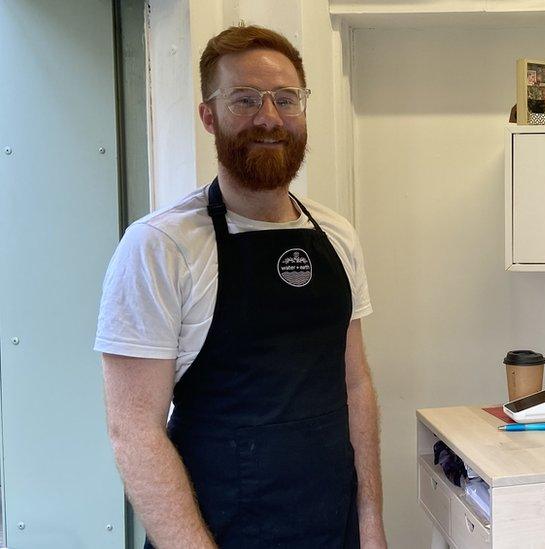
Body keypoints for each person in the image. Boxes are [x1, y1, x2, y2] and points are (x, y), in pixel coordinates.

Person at [95, 24, 386, 548]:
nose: (268, 117)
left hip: (331, 527)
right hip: (217, 533)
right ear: (209, 116)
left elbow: (356, 387)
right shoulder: (160, 246)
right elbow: (133, 431)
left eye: (285, 99)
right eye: (244, 99)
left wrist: (370, 526)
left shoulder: (337, 235)